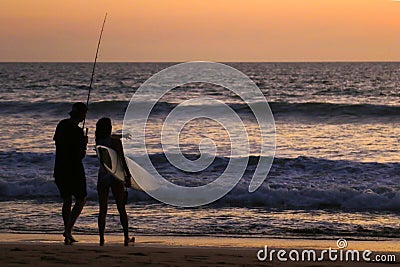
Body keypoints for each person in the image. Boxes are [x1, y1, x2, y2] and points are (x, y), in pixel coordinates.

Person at [95, 117, 134, 246]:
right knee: (121, 208)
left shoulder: (98, 141)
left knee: (103, 209)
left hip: (102, 176)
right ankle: (126, 237)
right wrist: (128, 177)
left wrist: (122, 135)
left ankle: (101, 238)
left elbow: (111, 137)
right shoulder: (116, 143)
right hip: (115, 177)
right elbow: (122, 160)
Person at [53, 102, 88, 245]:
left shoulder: (61, 125)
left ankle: (68, 231)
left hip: (60, 167)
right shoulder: (78, 132)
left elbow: (57, 142)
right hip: (74, 169)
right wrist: (84, 144)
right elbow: (80, 155)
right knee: (81, 199)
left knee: (67, 200)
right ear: (81, 115)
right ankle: (68, 229)